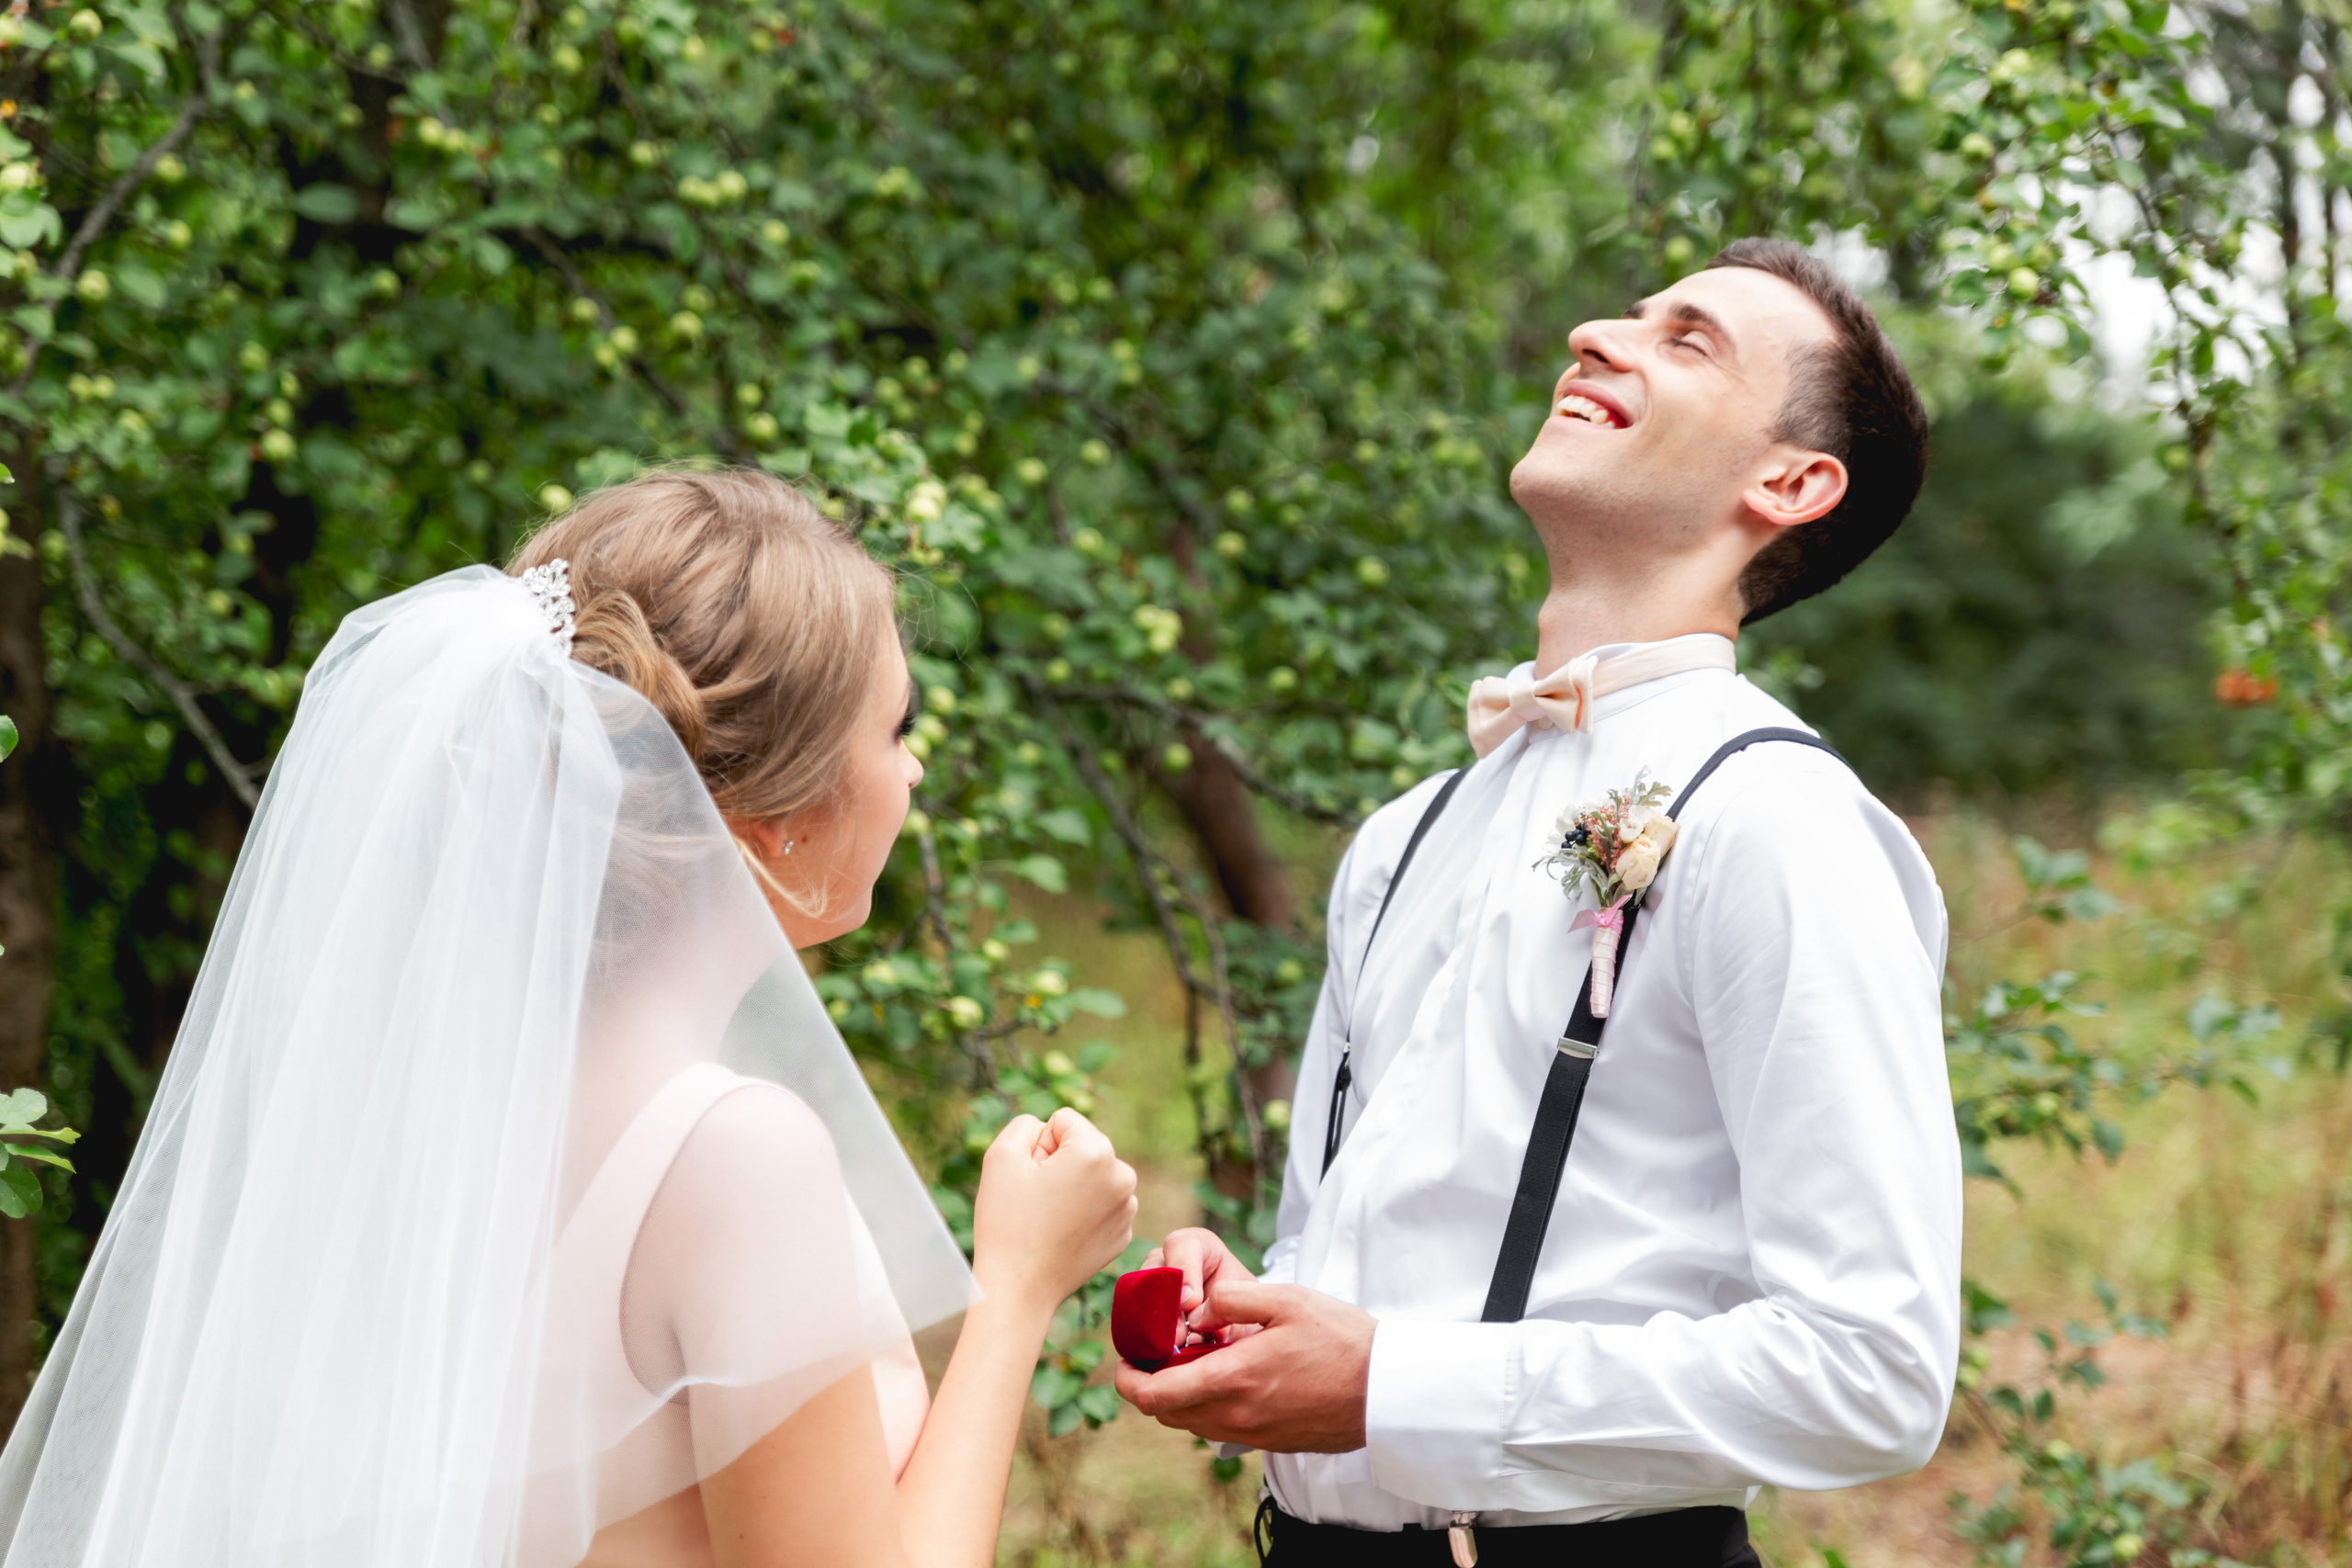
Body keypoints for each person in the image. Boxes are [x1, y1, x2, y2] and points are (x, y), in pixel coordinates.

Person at [0, 468, 1138, 1568]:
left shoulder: (391, 1101)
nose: (915, 766)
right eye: (893, 729)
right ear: (776, 818)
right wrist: (1020, 1288)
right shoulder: (735, 1159)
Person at [1116, 239, 1958, 1565]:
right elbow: (1351, 1258)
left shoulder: (1777, 819)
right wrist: (1258, 1314)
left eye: (1688, 339)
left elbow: (1873, 1370)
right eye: (1627, 311)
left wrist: (1394, 1382)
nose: (1594, 333)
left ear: (1789, 482)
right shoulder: (1402, 838)